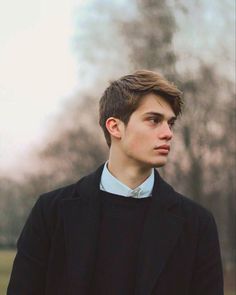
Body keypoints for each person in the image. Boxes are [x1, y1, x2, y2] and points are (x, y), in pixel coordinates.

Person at [7, 70, 224, 295]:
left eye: (170, 123)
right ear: (115, 127)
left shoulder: (196, 223)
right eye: (154, 120)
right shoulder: (51, 212)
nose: (168, 133)